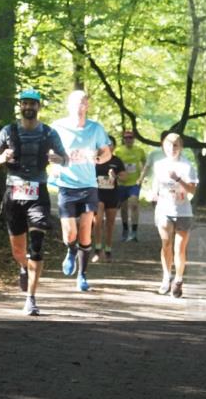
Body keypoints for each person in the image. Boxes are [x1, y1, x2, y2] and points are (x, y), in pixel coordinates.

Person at [0, 89, 69, 316]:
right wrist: (2, 158)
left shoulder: (49, 133)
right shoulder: (8, 131)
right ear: (20, 106)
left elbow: (66, 159)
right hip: (14, 192)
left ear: (38, 107)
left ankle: (31, 298)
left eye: (33, 104)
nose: (28, 107)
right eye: (25, 103)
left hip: (38, 193)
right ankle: (23, 267)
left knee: (36, 245)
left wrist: (58, 159)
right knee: (18, 249)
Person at [50, 90, 112, 292]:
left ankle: (82, 275)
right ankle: (70, 250)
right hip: (67, 184)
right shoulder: (58, 127)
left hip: (88, 185)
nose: (80, 106)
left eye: (83, 102)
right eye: (76, 102)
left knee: (86, 232)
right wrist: (59, 160)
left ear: (87, 106)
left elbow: (107, 153)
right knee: (70, 233)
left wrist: (98, 158)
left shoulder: (95, 128)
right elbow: (49, 153)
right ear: (69, 105)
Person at [145, 132, 197, 297]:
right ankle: (166, 278)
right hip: (164, 210)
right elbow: (156, 184)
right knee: (166, 244)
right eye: (169, 145)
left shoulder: (187, 166)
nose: (172, 148)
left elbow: (192, 190)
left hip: (183, 211)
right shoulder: (159, 165)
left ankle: (179, 280)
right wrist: (153, 194)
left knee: (179, 248)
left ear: (181, 147)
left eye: (176, 145)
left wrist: (178, 179)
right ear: (164, 146)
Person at [93, 135, 126, 262]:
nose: (108, 146)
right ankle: (97, 249)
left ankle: (108, 249)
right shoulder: (95, 160)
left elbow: (124, 177)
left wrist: (115, 175)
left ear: (114, 147)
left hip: (112, 194)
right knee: (98, 221)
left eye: (111, 144)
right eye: (106, 144)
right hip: (98, 193)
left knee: (110, 223)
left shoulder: (117, 161)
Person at [118, 130, 147, 242]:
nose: (128, 139)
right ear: (124, 139)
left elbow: (145, 163)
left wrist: (142, 177)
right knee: (124, 208)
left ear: (134, 139)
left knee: (134, 204)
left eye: (130, 137)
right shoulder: (119, 151)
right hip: (122, 184)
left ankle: (134, 232)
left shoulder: (139, 150)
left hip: (134, 183)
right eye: (126, 138)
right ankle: (125, 229)